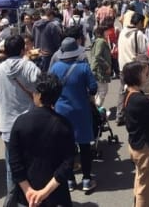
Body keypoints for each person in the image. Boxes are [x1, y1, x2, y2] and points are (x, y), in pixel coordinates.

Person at [9, 73, 75, 207]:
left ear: (39, 95)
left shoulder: (20, 122)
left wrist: (29, 191)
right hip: (56, 194)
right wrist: (45, 192)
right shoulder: (64, 125)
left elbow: (15, 162)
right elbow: (68, 163)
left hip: (27, 196)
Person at [0, 35, 41, 193]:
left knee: (12, 167)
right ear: (22, 49)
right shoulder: (30, 67)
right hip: (31, 124)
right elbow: (42, 89)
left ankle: (13, 200)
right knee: (34, 163)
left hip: (8, 127)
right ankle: (35, 197)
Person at [50, 37, 98, 192]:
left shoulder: (55, 67)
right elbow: (93, 88)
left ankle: (69, 180)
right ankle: (86, 179)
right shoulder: (83, 67)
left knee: (66, 147)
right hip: (81, 110)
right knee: (84, 146)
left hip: (61, 111)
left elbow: (50, 87)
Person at [123, 61, 149, 207]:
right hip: (145, 147)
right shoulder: (140, 100)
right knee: (147, 186)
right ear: (136, 77)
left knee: (140, 179)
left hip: (135, 144)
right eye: (143, 73)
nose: (145, 75)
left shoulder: (129, 95)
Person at [117, 13, 147, 125]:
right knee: (135, 92)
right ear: (139, 22)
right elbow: (143, 52)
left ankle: (120, 115)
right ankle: (135, 115)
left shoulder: (123, 31)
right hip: (134, 68)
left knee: (122, 91)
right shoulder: (138, 34)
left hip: (122, 66)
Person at [90, 25, 112, 107]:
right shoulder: (101, 42)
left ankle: (95, 108)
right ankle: (96, 110)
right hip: (100, 70)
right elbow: (97, 56)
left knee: (99, 92)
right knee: (103, 91)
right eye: (107, 31)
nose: (108, 32)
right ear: (102, 32)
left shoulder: (98, 41)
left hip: (97, 69)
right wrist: (107, 66)